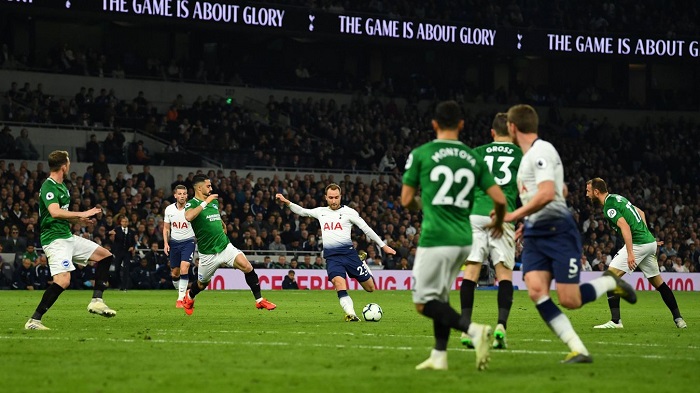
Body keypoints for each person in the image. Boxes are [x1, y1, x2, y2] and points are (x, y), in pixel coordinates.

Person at [502, 105, 636, 363]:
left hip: (557, 230)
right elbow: (560, 190)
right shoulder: (530, 156)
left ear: (512, 127)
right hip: (535, 232)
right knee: (536, 291)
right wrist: (528, 219)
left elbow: (548, 192)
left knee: (569, 299)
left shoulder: (540, 151)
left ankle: (610, 282)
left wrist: (513, 215)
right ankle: (579, 349)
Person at [401, 100, 506, 371]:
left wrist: (422, 204)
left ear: (434, 124)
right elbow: (499, 198)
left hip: (436, 237)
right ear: (461, 125)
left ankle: (473, 330)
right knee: (441, 298)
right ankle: (439, 356)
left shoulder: (421, 154)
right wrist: (500, 222)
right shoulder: (474, 158)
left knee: (423, 303)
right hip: (463, 238)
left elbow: (406, 200)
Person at [276, 184, 396, 322]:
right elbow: (302, 211)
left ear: (341, 197)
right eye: (331, 198)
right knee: (339, 283)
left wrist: (383, 245)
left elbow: (366, 229)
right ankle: (351, 314)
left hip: (350, 255)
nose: (334, 201)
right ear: (326, 197)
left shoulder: (349, 212)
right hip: (333, 258)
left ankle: (362, 262)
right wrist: (287, 203)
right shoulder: (321, 211)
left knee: (370, 288)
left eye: (336, 197)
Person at [25, 150, 116, 330]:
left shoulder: (62, 187)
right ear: (64, 166)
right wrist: (82, 213)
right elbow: (54, 212)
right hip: (54, 239)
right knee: (63, 281)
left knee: (105, 256)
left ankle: (97, 301)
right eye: (69, 163)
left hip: (67, 236)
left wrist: (78, 220)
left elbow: (62, 216)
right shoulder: (49, 186)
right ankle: (34, 321)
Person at [586, 178, 686, 329]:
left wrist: (631, 252)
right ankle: (679, 319)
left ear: (596, 191)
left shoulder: (609, 207)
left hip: (639, 244)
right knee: (659, 284)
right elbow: (640, 212)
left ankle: (615, 321)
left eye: (588, 191)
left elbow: (625, 227)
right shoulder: (617, 198)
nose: (586, 195)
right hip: (648, 243)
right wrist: (648, 237)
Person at [459, 112, 522, 351]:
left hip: (475, 214)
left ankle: (466, 326)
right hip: (502, 214)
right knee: (504, 274)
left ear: (492, 133)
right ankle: (500, 328)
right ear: (513, 132)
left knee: (472, 270)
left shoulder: (476, 152)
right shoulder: (520, 154)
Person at [182, 174, 276, 315]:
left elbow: (214, 216)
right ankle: (189, 297)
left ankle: (259, 300)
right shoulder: (192, 203)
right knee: (202, 284)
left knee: (247, 266)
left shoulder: (213, 202)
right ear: (199, 188)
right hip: (208, 253)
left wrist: (222, 224)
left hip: (225, 246)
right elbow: (189, 217)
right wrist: (205, 202)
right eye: (208, 186)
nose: (211, 188)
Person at [163, 185, 196, 308]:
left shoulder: (191, 208)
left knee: (184, 268)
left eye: (184, 194)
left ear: (187, 195)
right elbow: (166, 228)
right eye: (180, 194)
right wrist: (166, 243)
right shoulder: (169, 209)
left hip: (188, 241)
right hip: (174, 243)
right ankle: (182, 293)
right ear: (175, 195)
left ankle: (180, 299)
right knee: (175, 273)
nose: (182, 196)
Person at [109, 216, 135, 290]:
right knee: (117, 269)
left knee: (126, 269)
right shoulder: (117, 230)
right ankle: (119, 284)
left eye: (126, 221)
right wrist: (110, 233)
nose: (124, 223)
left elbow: (133, 242)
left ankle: (124, 286)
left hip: (127, 252)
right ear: (120, 222)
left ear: (128, 223)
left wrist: (132, 247)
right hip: (119, 252)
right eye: (123, 221)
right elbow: (108, 233)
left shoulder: (131, 231)